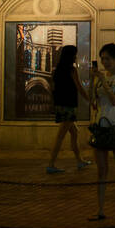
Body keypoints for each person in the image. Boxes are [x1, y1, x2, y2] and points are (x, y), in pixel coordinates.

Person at [85, 43, 115, 220]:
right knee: (101, 170)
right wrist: (92, 81)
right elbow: (92, 101)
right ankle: (100, 210)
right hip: (100, 126)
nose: (105, 63)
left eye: (108, 59)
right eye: (102, 59)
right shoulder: (100, 77)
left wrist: (103, 81)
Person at [46, 45, 91, 174]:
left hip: (60, 105)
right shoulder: (71, 70)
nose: (76, 57)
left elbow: (52, 88)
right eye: (75, 54)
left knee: (74, 132)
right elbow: (79, 87)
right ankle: (51, 164)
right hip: (69, 106)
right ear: (71, 56)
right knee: (60, 136)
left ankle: (80, 161)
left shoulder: (56, 70)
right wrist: (89, 99)